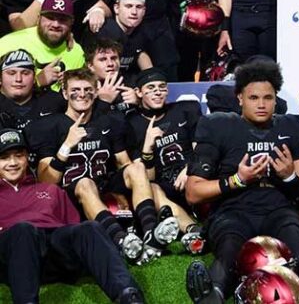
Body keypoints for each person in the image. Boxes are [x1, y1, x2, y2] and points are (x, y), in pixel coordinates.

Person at [184, 59, 299, 303]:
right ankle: (211, 295)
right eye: (254, 98)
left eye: (268, 97)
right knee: (228, 251)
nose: (262, 104)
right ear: (240, 98)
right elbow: (193, 192)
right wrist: (237, 179)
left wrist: (290, 177)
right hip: (233, 211)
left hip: (279, 209)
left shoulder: (291, 126)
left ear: (276, 99)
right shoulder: (218, 126)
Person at [26, 68, 179, 264]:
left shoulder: (109, 121)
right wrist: (66, 146)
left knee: (136, 168)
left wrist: (128, 187)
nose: (82, 94)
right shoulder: (48, 127)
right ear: (64, 93)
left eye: (88, 89)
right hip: (71, 196)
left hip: (104, 187)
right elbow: (46, 182)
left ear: (96, 92)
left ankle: (150, 232)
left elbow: (124, 163)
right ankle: (121, 240)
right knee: (84, 183)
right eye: (75, 89)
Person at [0, 127, 146, 304]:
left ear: (26, 158)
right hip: (15, 255)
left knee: (89, 227)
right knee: (23, 229)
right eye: (4, 158)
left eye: (18, 155)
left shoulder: (50, 190)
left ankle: (128, 295)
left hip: (53, 254)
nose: (13, 162)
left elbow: (72, 227)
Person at [123, 68, 204, 253]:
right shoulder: (131, 124)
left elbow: (202, 150)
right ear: (139, 92)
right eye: (150, 88)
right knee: (152, 188)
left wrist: (190, 169)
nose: (158, 91)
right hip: (164, 186)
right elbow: (147, 176)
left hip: (192, 175)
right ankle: (192, 230)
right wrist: (147, 148)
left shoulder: (185, 109)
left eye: (162, 87)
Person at [0, 0, 85, 91]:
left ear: (71, 22)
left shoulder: (76, 52)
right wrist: (37, 81)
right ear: (38, 18)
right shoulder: (9, 43)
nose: (55, 24)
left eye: (62, 19)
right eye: (50, 18)